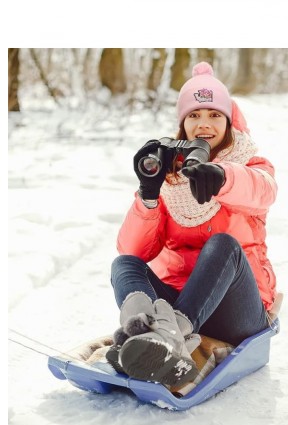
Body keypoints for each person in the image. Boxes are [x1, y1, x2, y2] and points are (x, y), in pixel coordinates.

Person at [108, 62, 278, 389]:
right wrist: (148, 196)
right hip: (180, 299)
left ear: (229, 122)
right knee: (124, 264)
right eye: (194, 115)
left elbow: (263, 190)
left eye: (214, 115)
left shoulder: (252, 165)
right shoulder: (170, 175)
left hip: (237, 311)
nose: (204, 124)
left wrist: (223, 176)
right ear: (182, 124)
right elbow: (135, 250)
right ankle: (142, 334)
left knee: (223, 246)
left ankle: (172, 337)